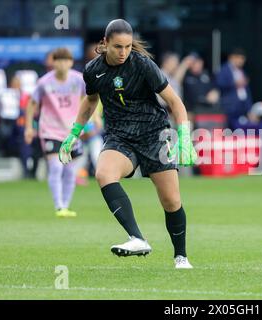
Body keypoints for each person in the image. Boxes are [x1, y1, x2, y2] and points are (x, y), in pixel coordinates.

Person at [58, 19, 197, 269]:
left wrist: (184, 137)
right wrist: (73, 133)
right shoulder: (92, 70)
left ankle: (181, 257)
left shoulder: (143, 65)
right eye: (118, 47)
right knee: (103, 173)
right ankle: (137, 238)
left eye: (127, 47)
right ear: (105, 44)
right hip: (119, 136)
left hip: (154, 134)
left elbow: (176, 103)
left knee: (171, 201)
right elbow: (90, 101)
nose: (123, 52)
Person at [24, 48, 85, 217]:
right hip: (50, 130)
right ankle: (59, 206)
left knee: (70, 171)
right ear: (53, 63)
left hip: (72, 132)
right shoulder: (44, 82)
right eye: (58, 60)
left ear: (71, 62)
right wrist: (29, 127)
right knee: (56, 166)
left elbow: (91, 98)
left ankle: (65, 205)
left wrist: (93, 117)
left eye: (66, 60)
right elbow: (31, 103)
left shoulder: (79, 80)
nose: (62, 64)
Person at [216, 47, 253, 128]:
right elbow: (219, 84)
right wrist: (234, 83)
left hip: (242, 108)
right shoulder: (224, 70)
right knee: (228, 133)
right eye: (239, 58)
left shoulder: (242, 72)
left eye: (243, 59)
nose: (241, 61)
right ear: (232, 57)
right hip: (229, 108)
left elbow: (246, 91)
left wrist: (249, 109)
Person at [182, 52, 219, 121]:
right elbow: (175, 82)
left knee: (216, 124)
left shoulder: (207, 75)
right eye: (193, 63)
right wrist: (184, 64)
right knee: (184, 130)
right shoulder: (185, 75)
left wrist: (215, 93)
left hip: (206, 110)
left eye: (197, 62)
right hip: (188, 111)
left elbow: (215, 89)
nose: (196, 65)